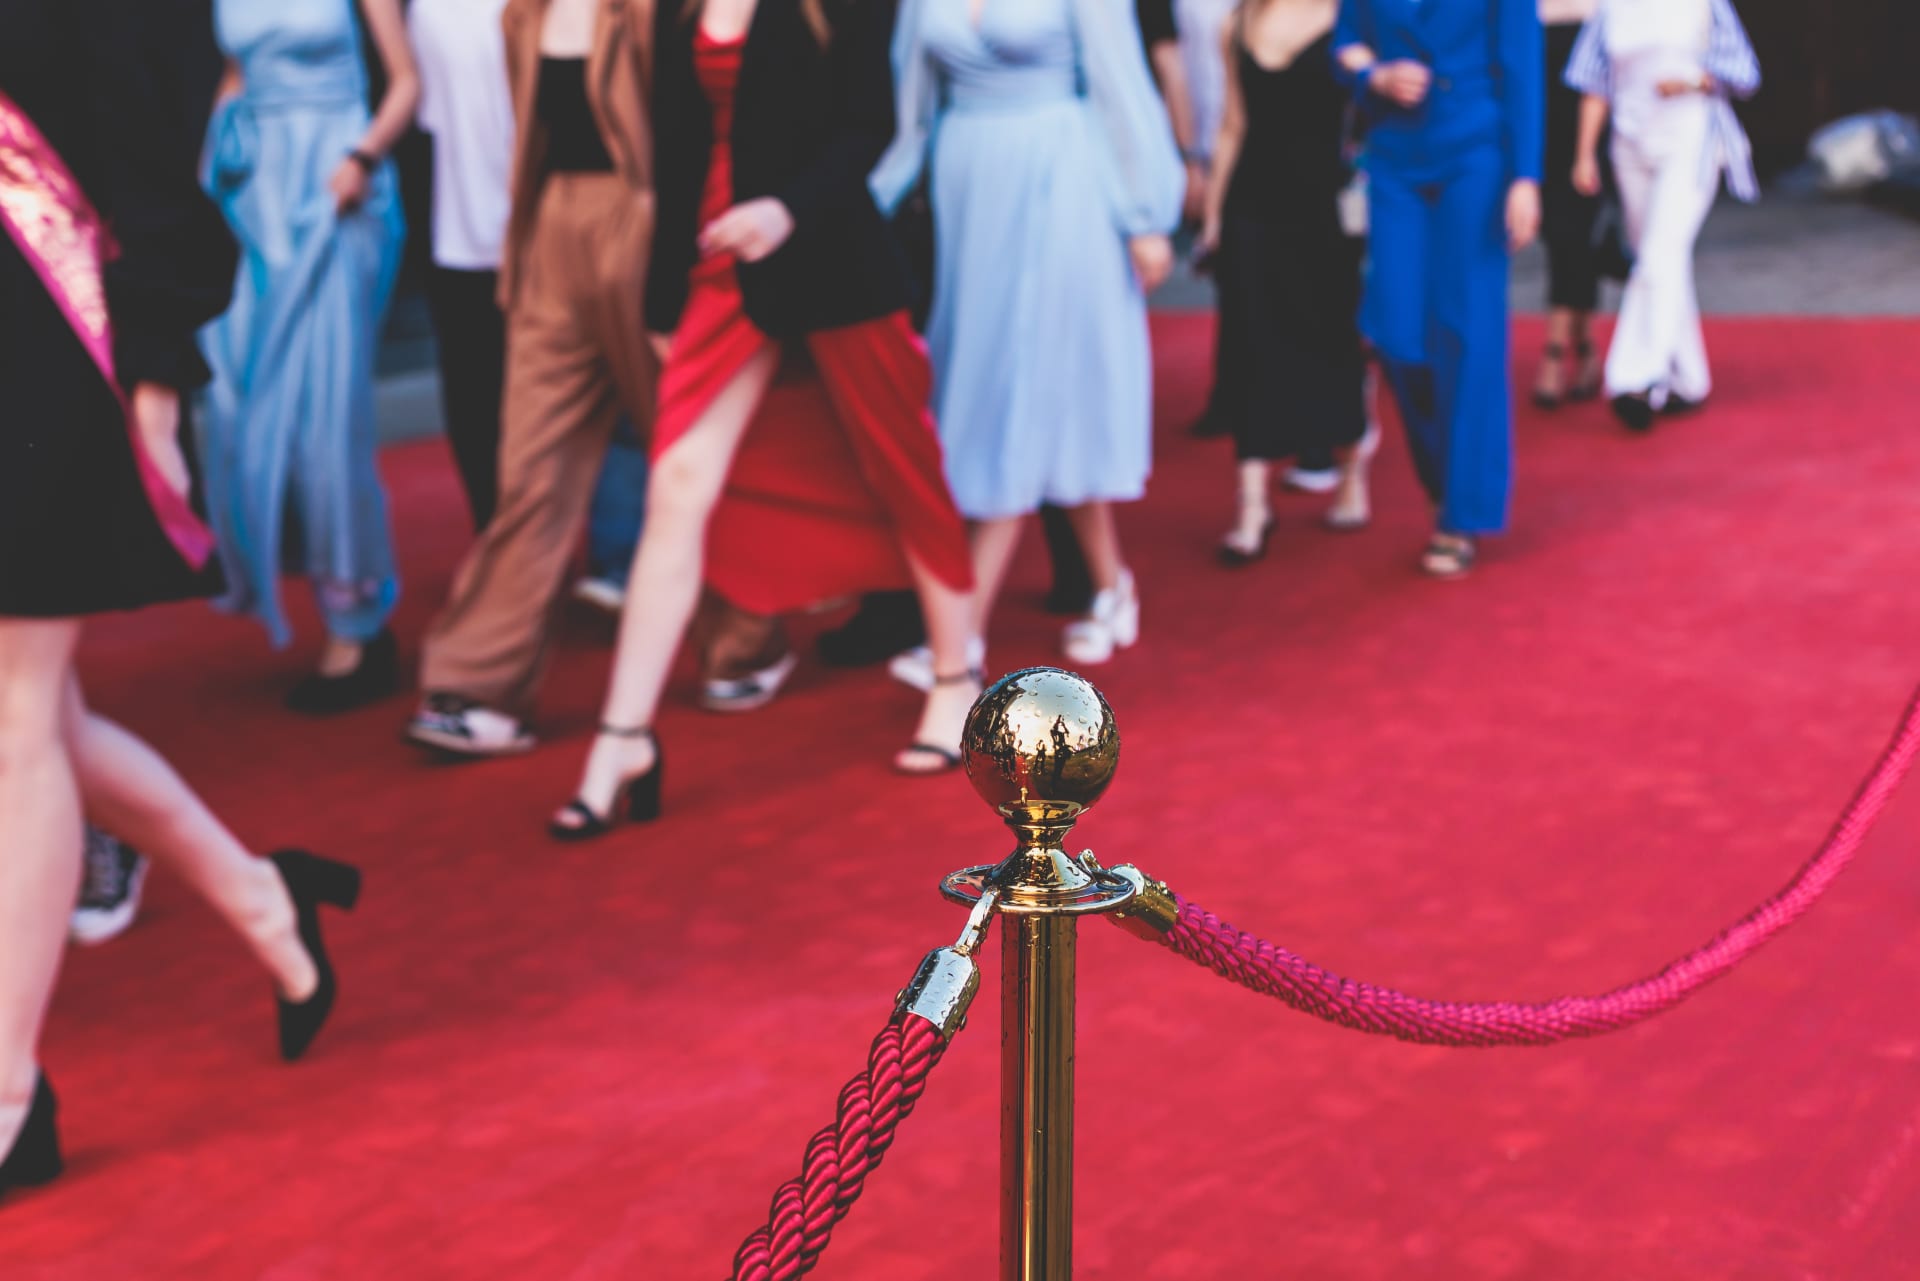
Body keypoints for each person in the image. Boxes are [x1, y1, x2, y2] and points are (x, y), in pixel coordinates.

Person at [1, 0, 360, 1200]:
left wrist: (153, 378)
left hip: (53, 343)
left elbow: (147, 157)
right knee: (35, 721)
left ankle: (7, 1094)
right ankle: (271, 904)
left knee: (19, 718)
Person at [548, 0, 981, 838]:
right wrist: (665, 290)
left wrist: (787, 208)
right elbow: (675, 152)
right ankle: (622, 738)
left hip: (831, 252)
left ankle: (955, 675)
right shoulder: (675, 10)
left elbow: (869, 126)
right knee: (675, 484)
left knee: (901, 463)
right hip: (718, 261)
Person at [874, 0, 1184, 666]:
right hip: (971, 194)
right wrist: (869, 204)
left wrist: (1144, 214)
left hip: (1064, 181)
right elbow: (909, 110)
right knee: (1006, 389)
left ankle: (961, 639)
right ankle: (1111, 588)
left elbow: (1117, 80)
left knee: (1025, 392)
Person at [406, 0, 659, 758]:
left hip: (642, 233)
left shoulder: (648, 11)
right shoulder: (521, 17)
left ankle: (747, 637)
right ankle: (481, 683)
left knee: (685, 453)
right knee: (531, 467)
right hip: (550, 237)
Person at [197, 0, 416, 713]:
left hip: (335, 194)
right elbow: (235, 78)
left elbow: (407, 83)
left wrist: (361, 159)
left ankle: (358, 623)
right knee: (233, 394)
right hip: (251, 195)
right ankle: (271, 568)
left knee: (325, 412)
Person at [1333, 0, 1543, 579]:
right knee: (1395, 333)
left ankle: (1461, 513)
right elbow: (1344, 42)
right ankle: (1445, 481)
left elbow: (1523, 64)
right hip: (1396, 159)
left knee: (1468, 331)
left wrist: (1527, 177)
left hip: (1476, 152)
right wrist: (1372, 74)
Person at [1200, 0, 1375, 565]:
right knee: (1252, 343)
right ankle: (1251, 503)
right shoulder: (1236, 23)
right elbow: (1233, 123)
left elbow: (1374, 109)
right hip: (1253, 202)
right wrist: (1213, 212)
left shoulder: (1348, 19)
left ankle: (1351, 471)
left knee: (1333, 340)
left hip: (1324, 208)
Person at [1567, 0, 1759, 431]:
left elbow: (1744, 72)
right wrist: (1584, 154)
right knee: (1661, 262)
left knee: (1658, 255)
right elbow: (1592, 82)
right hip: (1630, 143)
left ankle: (1634, 378)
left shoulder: (1705, 6)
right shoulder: (1611, 9)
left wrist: (1692, 81)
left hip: (1690, 138)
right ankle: (1688, 379)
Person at [409, 0, 516, 532]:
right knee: (474, 392)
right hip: (451, 224)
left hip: (544, 224)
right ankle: (494, 539)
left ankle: (602, 553)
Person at [1532, 0, 1608, 409]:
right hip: (1537, 140)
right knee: (1560, 239)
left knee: (1572, 236)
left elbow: (1603, 78)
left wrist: (1586, 151)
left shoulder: (1600, 7)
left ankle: (1555, 350)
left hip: (1587, 139)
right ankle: (1586, 347)